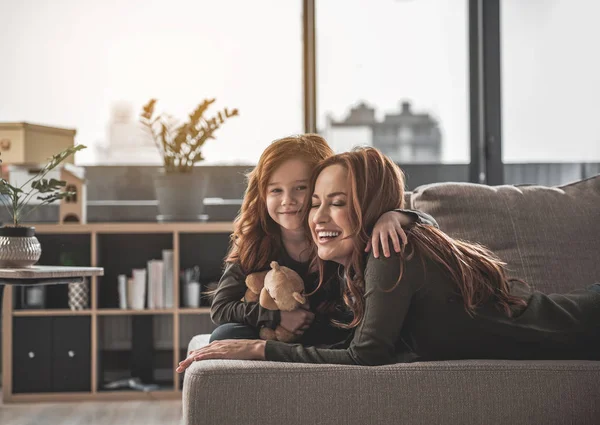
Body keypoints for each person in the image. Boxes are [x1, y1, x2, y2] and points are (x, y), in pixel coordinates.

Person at [177, 146, 600, 371]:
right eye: (317, 203)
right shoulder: (355, 264)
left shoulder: (388, 252)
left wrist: (257, 350)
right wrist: (266, 327)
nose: (316, 215)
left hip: (584, 322)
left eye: (336, 202)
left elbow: (366, 354)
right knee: (224, 335)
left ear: (371, 206)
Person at [208, 135, 437, 347]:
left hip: (334, 329)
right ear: (262, 195)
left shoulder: (340, 230)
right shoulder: (254, 242)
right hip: (277, 329)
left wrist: (397, 216)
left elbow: (431, 228)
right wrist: (277, 316)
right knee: (224, 335)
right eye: (276, 190)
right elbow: (220, 308)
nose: (288, 200)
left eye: (300, 188)